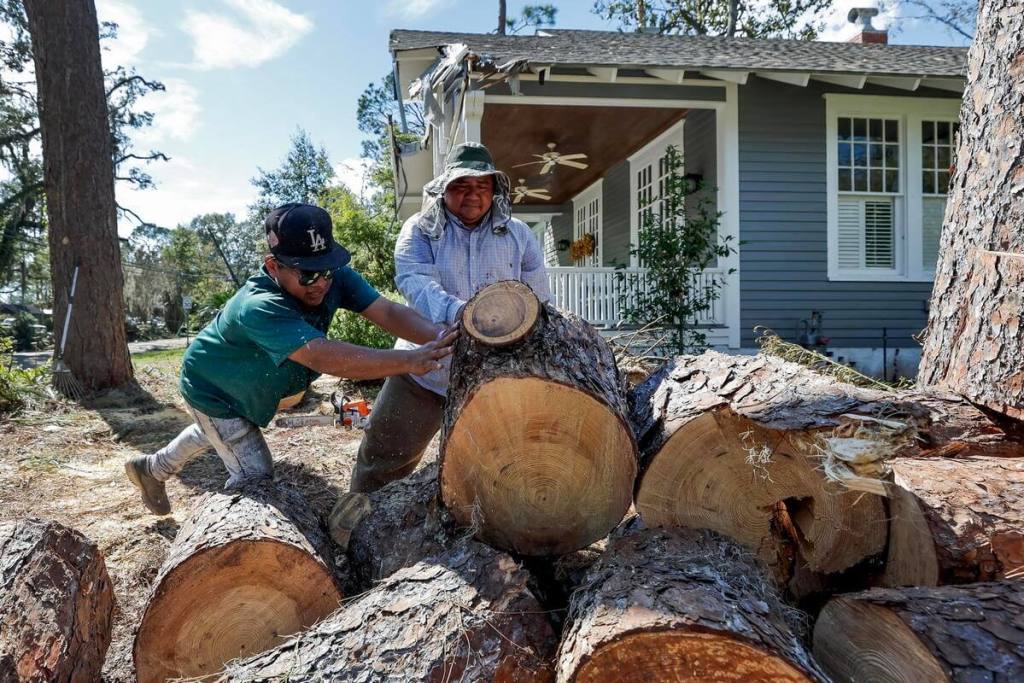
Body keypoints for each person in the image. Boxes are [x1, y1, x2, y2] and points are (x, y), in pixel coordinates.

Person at [124, 202, 456, 515]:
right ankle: (233, 536)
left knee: (212, 434)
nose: (321, 283)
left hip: (250, 388)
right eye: (307, 274)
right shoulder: (259, 305)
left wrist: (441, 338)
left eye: (327, 270)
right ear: (273, 266)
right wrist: (410, 361)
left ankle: (152, 469)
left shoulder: (330, 276)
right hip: (214, 391)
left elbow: (386, 310)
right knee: (255, 477)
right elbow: (323, 357)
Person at [333, 142, 550, 532]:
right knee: (383, 460)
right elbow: (416, 284)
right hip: (424, 369)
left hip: (495, 378)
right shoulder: (420, 231)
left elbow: (539, 296)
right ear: (444, 189)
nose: (473, 194)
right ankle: (354, 534)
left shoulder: (518, 235)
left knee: (500, 469)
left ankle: (497, 541)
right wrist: (466, 316)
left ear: (495, 190)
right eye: (462, 185)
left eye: (482, 185)